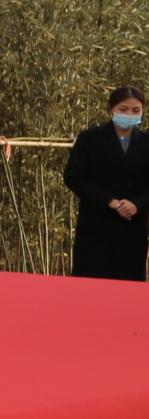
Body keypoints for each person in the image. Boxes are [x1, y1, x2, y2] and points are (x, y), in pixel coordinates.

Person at [63, 86, 149, 280]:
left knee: (128, 286)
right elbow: (74, 177)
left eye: (136, 110)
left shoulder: (146, 142)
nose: (129, 114)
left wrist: (137, 204)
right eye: (123, 109)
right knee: (90, 284)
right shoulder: (90, 139)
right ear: (111, 109)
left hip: (133, 227)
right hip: (96, 224)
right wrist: (110, 202)